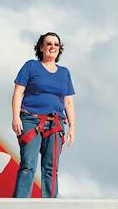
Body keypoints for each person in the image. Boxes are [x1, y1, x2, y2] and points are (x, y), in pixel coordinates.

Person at [11, 32, 75, 198]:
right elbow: (18, 92)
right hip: (31, 119)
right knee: (28, 164)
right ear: (41, 47)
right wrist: (16, 116)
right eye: (49, 43)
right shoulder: (31, 66)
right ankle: (19, 204)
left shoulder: (64, 73)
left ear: (60, 49)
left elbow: (68, 101)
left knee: (51, 167)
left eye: (56, 44)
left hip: (56, 123)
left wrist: (72, 126)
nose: (52, 47)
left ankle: (50, 205)